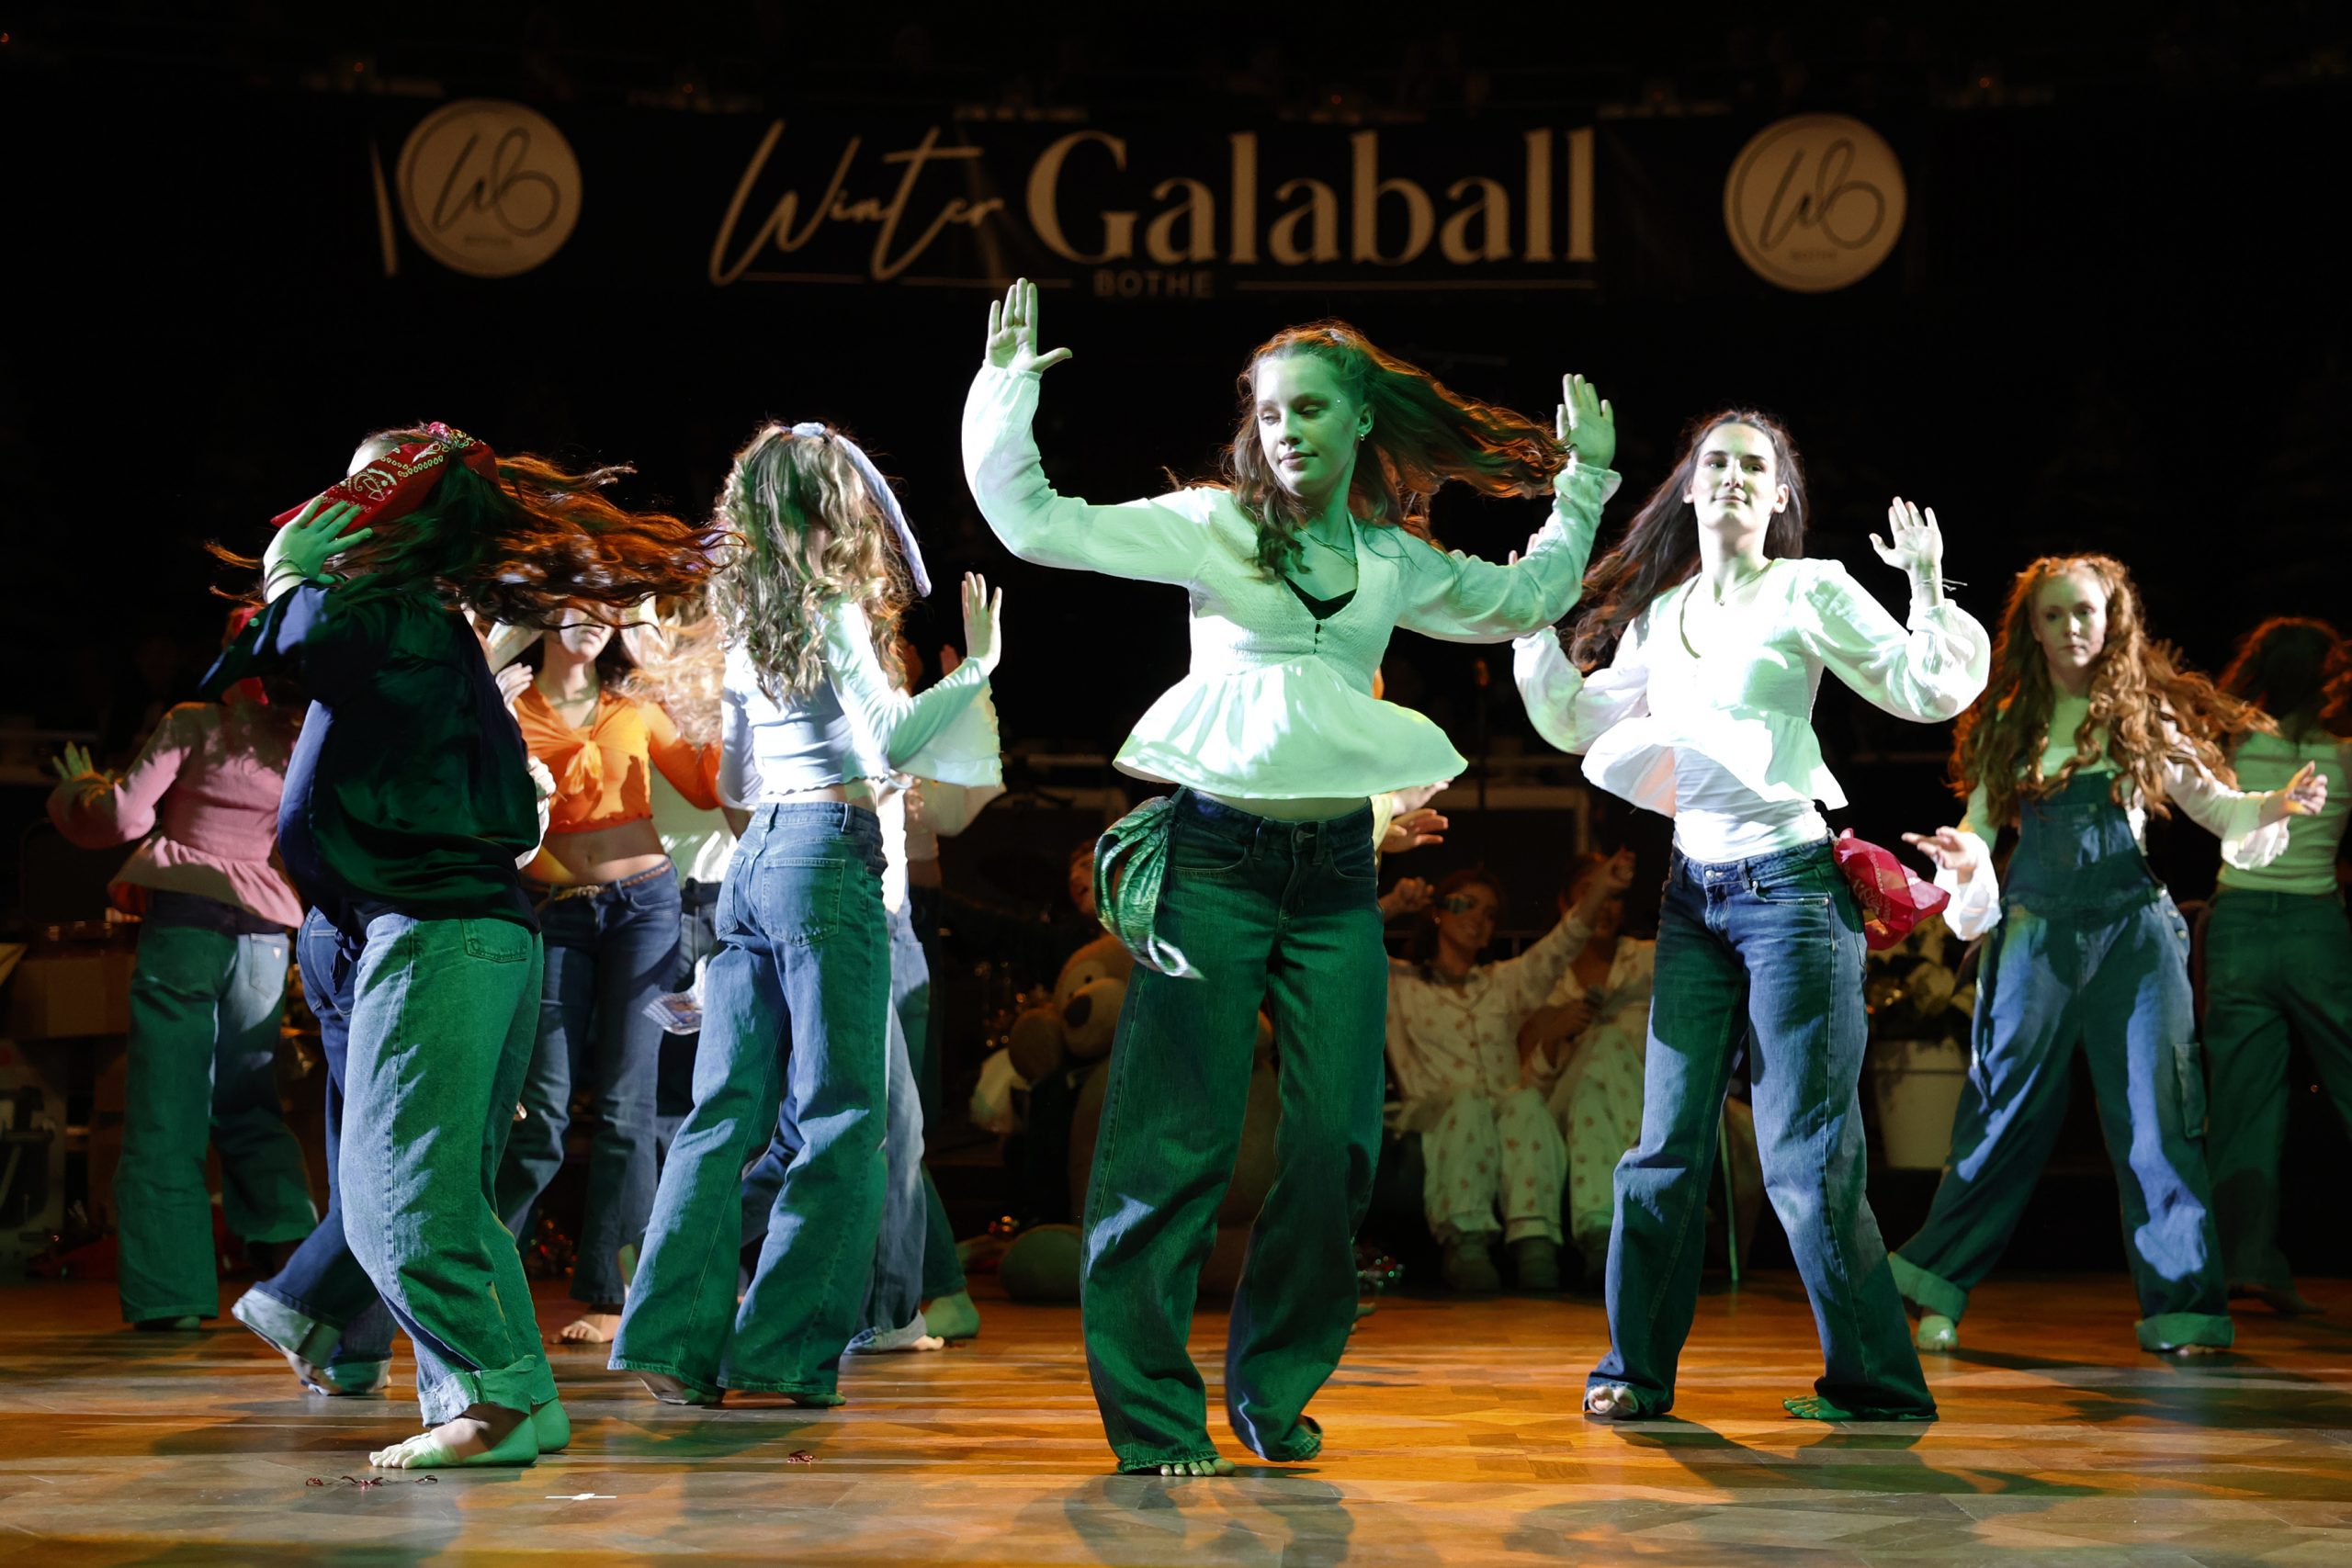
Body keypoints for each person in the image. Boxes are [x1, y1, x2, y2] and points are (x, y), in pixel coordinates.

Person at [965, 278, 1620, 1473]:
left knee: (1336, 1148)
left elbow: (1525, 599)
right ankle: (1155, 1416)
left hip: (1330, 881)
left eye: (1310, 408)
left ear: (1360, 420)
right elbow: (1037, 523)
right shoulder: (1212, 526)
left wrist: (1583, 486)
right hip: (1216, 861)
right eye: (1268, 412)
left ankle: (1273, 1386)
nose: (1286, 430)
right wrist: (1001, 399)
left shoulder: (1390, 561)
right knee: (1174, 1144)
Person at [205, 422, 717, 1468]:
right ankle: (507, 1397)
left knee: (400, 1191)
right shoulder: (421, 619)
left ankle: (491, 1398)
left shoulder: (395, 613)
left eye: (359, 492)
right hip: (447, 933)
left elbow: (300, 641)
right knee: (432, 1187)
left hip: (437, 934)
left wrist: (294, 562)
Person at [1515, 408, 1988, 1422]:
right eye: (1715, 461)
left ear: (1778, 497)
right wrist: (1527, 627)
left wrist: (1924, 585)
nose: (1732, 474)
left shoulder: (1808, 587)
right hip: (1693, 896)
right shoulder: (1662, 614)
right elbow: (1582, 716)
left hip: (1791, 895)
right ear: (1690, 486)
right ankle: (1633, 1371)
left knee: (1806, 1158)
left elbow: (1920, 686)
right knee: (1660, 1150)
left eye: (1754, 465)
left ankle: (1874, 1384)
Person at [610, 421, 1002, 1408]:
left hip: (755, 863)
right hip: (827, 856)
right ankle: (782, 1352)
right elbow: (894, 738)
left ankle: (669, 1340)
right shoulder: (831, 611)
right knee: (842, 1115)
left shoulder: (750, 624)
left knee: (721, 1113)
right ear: (837, 511)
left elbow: (735, 781)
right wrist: (976, 668)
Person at [1897, 563, 2327, 1353]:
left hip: (2133, 935)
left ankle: (2184, 1309)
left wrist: (2277, 803)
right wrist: (1963, 851)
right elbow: (1979, 824)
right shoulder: (2010, 724)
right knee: (2000, 1115)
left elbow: (2215, 805)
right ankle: (1934, 1284)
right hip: (2037, 934)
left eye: (2085, 612)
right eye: (2054, 614)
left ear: (2112, 618)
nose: (2072, 627)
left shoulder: (2139, 714)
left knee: (2158, 1121)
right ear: (2032, 628)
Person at [47, 640, 314, 1331]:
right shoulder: (305, 734)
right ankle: (302, 1275)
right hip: (263, 937)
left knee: (168, 1110)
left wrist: (79, 792)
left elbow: (122, 818)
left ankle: (171, 1298)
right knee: (251, 1104)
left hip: (187, 928)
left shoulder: (193, 722)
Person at [492, 613, 720, 1345]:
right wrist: (487, 714)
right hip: (554, 910)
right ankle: (481, 1275)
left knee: (629, 1105)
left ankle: (614, 1291)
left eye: (603, 608)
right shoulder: (512, 702)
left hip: (646, 909)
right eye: (575, 603)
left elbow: (709, 788)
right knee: (542, 1109)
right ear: (544, 615)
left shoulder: (635, 705)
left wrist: (691, 691)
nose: (591, 620)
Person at [1384, 853, 1635, 1292]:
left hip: (1502, 1116)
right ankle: (1466, 1243)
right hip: (1436, 1117)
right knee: (1468, 1102)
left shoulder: (1501, 984)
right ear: (1439, 912)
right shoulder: (1399, 983)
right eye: (1467, 904)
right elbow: (1345, 945)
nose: (1479, 918)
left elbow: (1560, 946)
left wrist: (1601, 890)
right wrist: (1391, 905)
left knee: (1524, 1102)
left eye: (1490, 913)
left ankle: (1535, 1242)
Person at [2203, 619, 2352, 1314]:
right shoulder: (2343, 751)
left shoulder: (2232, 744)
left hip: (2238, 928)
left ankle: (2245, 1261)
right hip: (2315, 930)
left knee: (2244, 1104)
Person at [1519, 851, 1665, 1282]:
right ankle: (1655, 1199)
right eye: (1591, 895)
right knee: (1601, 1048)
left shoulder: (1651, 960)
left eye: (1613, 897)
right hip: (1561, 1112)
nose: (1604, 907)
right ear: (1567, 904)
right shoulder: (1545, 979)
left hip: (1644, 1104)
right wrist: (1554, 1035)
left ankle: (1601, 1231)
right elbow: (1528, 1089)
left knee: (1599, 1085)